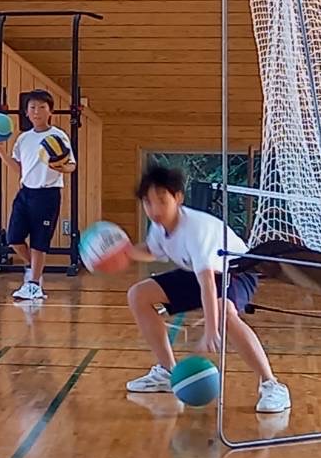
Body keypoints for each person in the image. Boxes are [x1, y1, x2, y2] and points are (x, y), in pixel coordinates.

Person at [123, 165, 291, 413]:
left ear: (178, 198)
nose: (155, 209)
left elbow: (208, 283)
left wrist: (211, 329)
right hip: (199, 273)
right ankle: (168, 373)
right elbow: (151, 250)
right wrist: (123, 252)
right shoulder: (159, 227)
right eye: (148, 202)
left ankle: (272, 384)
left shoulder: (195, 230)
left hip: (236, 271)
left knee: (224, 310)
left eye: (162, 200)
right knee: (138, 295)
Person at [0, 89, 75, 302]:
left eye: (42, 107)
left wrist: (60, 167)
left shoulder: (58, 136)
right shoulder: (23, 139)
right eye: (32, 107)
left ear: (50, 111)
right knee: (13, 238)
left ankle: (34, 285)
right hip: (25, 193)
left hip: (48, 195)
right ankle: (35, 271)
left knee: (39, 242)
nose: (36, 111)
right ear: (26, 113)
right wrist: (0, 149)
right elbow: (19, 168)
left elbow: (71, 166)